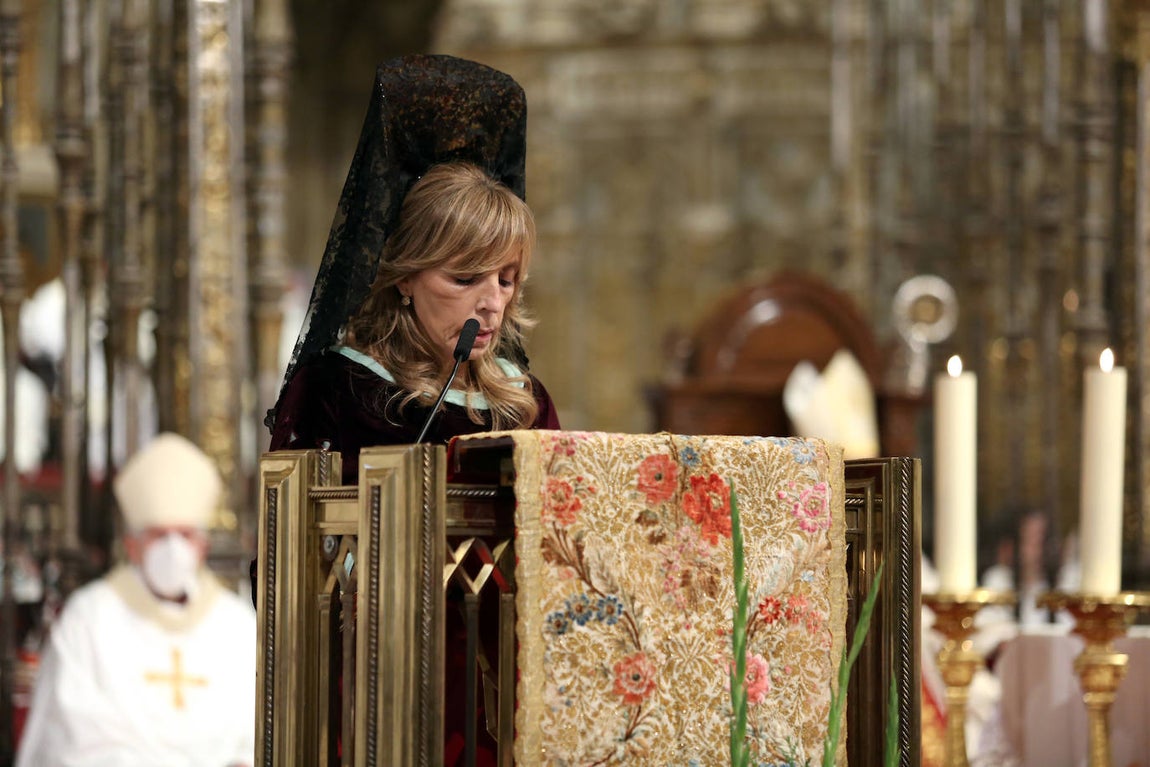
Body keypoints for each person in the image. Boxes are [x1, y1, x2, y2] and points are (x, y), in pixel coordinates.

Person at [266, 56, 560, 486]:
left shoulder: (524, 402)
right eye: (465, 278)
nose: (493, 302)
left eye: (506, 279)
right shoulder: (337, 389)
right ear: (405, 275)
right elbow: (287, 541)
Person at [16, 432, 256, 767]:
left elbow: (258, 731)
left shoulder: (237, 625)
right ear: (132, 545)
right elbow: (69, 740)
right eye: (159, 535)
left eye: (185, 535)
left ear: (202, 546)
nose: (173, 548)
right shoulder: (89, 619)